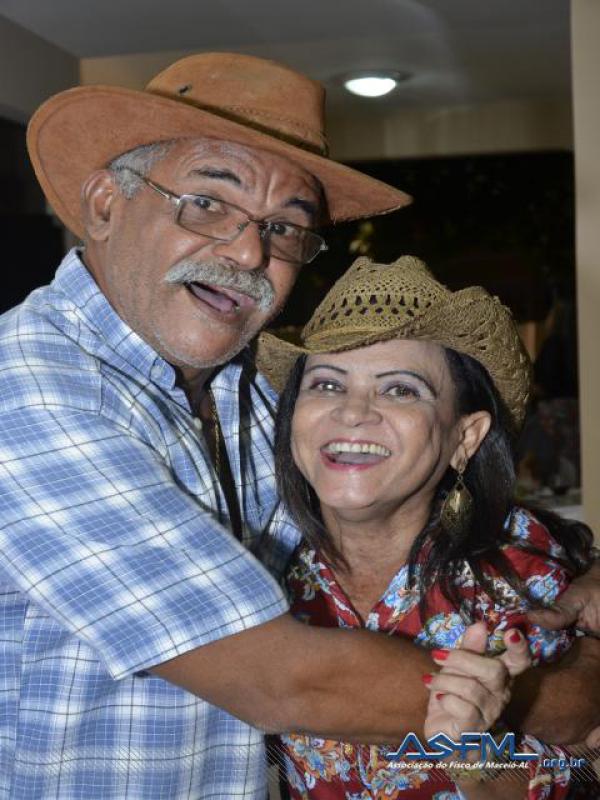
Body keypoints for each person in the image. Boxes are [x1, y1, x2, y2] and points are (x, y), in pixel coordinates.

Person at [0, 50, 598, 799]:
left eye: (285, 227)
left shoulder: (240, 386)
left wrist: (583, 589)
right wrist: (561, 696)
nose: (250, 251)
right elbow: (282, 680)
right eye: (206, 202)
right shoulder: (28, 390)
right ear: (104, 205)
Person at [256, 255, 600, 799]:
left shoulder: (520, 581)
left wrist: (474, 754)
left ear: (465, 437)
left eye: (400, 389)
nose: (353, 412)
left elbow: (566, 771)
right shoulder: (263, 571)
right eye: (326, 384)